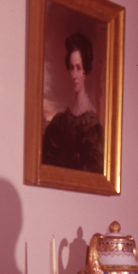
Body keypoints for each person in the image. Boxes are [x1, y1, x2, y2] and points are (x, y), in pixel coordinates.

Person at [40, 30, 102, 173]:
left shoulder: (93, 126)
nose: (74, 75)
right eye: (72, 68)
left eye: (79, 68)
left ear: (85, 71)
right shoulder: (59, 122)